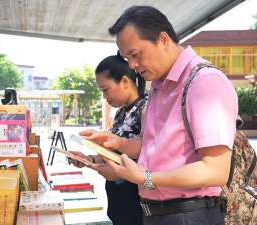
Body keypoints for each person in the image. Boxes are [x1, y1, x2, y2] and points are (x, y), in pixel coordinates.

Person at [85, 5, 237, 225]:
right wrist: (118, 143)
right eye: (128, 59)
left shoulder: (204, 82)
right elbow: (152, 145)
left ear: (163, 39)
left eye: (136, 55)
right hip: (156, 213)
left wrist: (146, 178)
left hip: (188, 214)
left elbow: (214, 170)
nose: (133, 66)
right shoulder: (158, 85)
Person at [71, 54, 146, 225]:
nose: (105, 97)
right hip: (118, 201)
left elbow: (149, 156)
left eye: (106, 89)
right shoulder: (121, 113)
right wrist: (88, 159)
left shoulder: (146, 109)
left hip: (137, 201)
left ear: (125, 81)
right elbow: (114, 154)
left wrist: (121, 171)